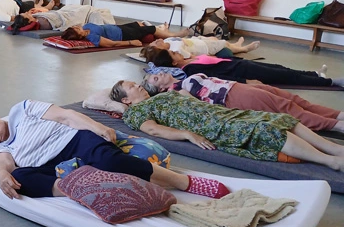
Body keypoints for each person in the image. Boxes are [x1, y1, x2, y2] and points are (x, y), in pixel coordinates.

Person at [0, 100, 231, 201]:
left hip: (74, 140)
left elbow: (66, 116)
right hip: (53, 167)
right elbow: (6, 166)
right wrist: (2, 176)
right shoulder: (4, 147)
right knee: (21, 179)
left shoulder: (21, 109)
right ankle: (82, 188)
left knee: (109, 160)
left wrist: (98, 127)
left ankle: (184, 182)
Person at [110, 81, 344, 170]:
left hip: (219, 113)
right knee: (266, 130)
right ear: (126, 100)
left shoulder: (161, 95)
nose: (137, 85)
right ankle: (330, 161)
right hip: (210, 125)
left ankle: (335, 149)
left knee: (278, 118)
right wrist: (187, 134)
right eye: (131, 87)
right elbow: (152, 129)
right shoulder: (136, 112)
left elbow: (189, 97)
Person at [142, 72, 344, 132]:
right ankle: (337, 126)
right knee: (289, 109)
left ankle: (338, 115)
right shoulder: (176, 91)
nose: (160, 74)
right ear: (161, 89)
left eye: (157, 73)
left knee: (294, 100)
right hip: (231, 97)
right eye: (156, 78)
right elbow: (194, 105)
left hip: (236, 87)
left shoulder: (181, 78)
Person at [142, 46, 344, 88]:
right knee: (286, 77)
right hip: (243, 72)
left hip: (241, 63)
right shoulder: (190, 70)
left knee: (281, 68)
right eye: (174, 53)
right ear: (174, 62)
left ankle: (315, 73)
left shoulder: (190, 60)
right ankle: (330, 82)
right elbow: (219, 78)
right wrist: (246, 82)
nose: (177, 51)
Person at [61, 22, 190, 47]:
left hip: (119, 27)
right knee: (151, 29)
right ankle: (175, 35)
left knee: (139, 23)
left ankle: (163, 30)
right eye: (75, 29)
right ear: (79, 35)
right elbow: (111, 44)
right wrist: (130, 42)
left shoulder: (86, 27)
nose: (76, 26)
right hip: (124, 35)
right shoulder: (92, 37)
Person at [9, 4, 114, 34]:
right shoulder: (44, 22)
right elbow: (60, 18)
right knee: (89, 10)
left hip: (59, 13)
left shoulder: (37, 19)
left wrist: (38, 12)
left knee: (69, 6)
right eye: (27, 15)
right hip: (65, 17)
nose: (27, 13)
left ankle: (44, 6)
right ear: (30, 21)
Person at [144, 36, 260, 58]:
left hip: (198, 40)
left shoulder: (167, 40)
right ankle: (243, 49)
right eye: (156, 43)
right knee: (223, 44)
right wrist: (210, 58)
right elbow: (191, 57)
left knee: (215, 39)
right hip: (205, 49)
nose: (156, 40)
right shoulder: (176, 50)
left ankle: (236, 45)